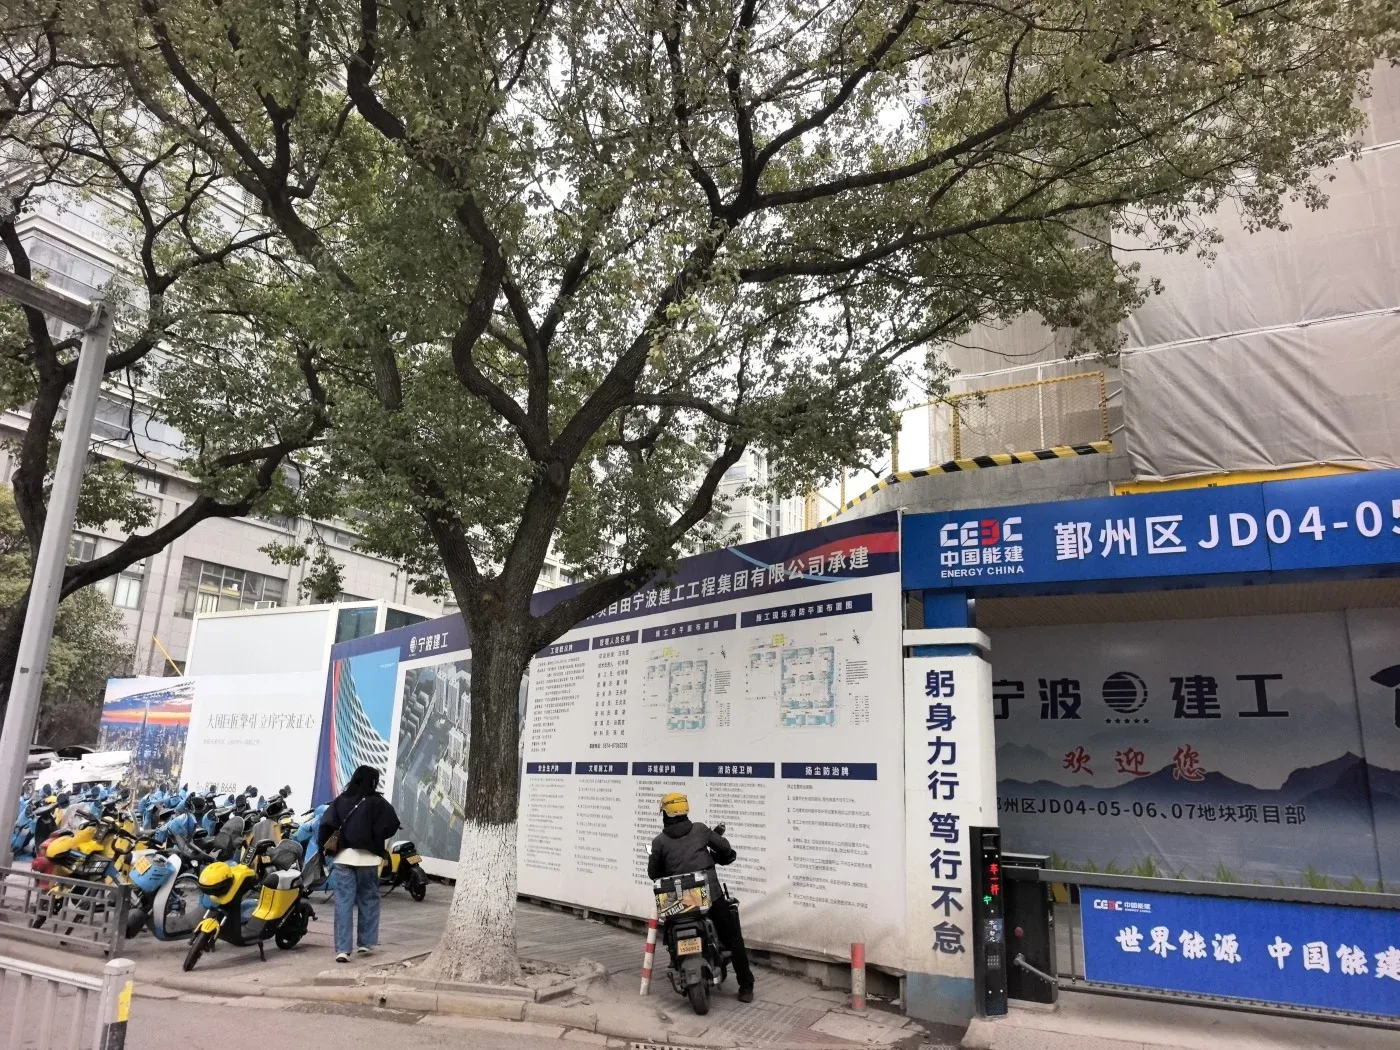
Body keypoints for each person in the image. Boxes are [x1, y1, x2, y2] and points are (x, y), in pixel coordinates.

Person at [647, 792, 755, 1002]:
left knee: (669, 931)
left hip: (678, 903)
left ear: (666, 814)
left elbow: (654, 874)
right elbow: (725, 849)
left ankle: (676, 958)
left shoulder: (659, 842)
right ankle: (746, 986)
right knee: (733, 938)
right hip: (709, 897)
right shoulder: (700, 830)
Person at [317, 765, 400, 963]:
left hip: (343, 858)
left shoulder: (340, 800)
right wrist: (374, 837)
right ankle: (366, 942)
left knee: (343, 902)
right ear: (373, 781)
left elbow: (325, 825)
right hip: (368, 859)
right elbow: (392, 824)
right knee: (369, 899)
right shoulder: (377, 802)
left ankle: (342, 950)